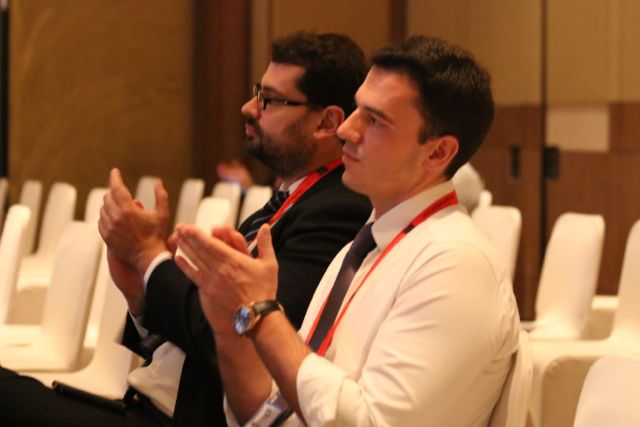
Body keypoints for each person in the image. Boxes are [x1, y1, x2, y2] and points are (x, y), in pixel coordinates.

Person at [0, 32, 371, 426]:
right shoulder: (289, 201)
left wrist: (149, 257)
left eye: (269, 100)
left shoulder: (336, 212)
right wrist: (140, 295)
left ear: (327, 122)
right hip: (143, 404)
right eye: (256, 93)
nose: (248, 108)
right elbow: (203, 323)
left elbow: (237, 334)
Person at [174, 36, 520, 427]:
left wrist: (261, 312)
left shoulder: (456, 264)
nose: (346, 130)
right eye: (357, 110)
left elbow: (373, 423)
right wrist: (229, 328)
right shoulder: (365, 245)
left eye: (375, 120)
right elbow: (271, 410)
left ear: (437, 153)